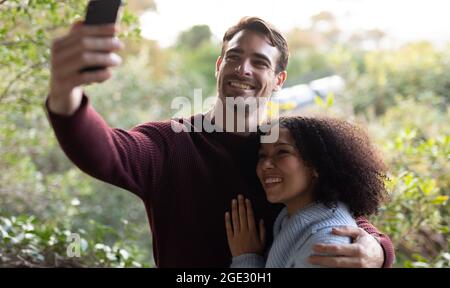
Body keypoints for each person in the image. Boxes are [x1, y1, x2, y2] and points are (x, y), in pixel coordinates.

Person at [46, 16, 394, 267]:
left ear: (278, 80)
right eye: (234, 56)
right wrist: (66, 92)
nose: (243, 69)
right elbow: (105, 152)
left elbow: (334, 210)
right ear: (218, 65)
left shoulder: (286, 150)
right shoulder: (171, 143)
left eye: (259, 62)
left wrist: (377, 249)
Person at [225, 116, 389, 267]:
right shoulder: (290, 220)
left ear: (317, 166)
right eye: (262, 155)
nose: (265, 164)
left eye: (282, 152)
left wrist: (246, 259)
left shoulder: (328, 245)